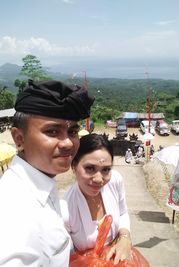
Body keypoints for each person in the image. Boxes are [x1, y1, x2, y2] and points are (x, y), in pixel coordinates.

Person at [0, 80, 94, 267]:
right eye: (52, 131)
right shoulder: (15, 210)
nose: (68, 143)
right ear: (19, 138)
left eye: (72, 131)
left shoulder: (39, 186)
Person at [63, 134, 132, 264]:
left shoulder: (115, 180)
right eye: (90, 168)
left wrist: (125, 237)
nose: (99, 179)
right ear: (74, 166)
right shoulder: (66, 209)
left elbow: (123, 212)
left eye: (106, 169)